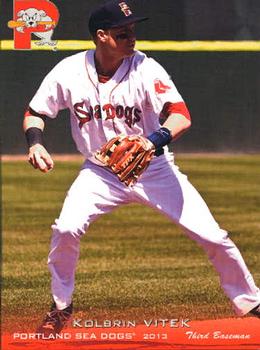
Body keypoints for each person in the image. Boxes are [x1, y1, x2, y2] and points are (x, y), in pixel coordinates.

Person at [23, 0, 260, 336]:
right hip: (100, 174)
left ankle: (251, 302)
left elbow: (181, 115)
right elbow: (35, 112)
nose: (131, 36)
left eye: (133, 29)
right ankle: (61, 309)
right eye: (123, 32)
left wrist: (153, 140)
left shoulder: (147, 68)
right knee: (65, 229)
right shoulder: (68, 71)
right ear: (101, 36)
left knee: (213, 236)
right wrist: (35, 143)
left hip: (154, 170)